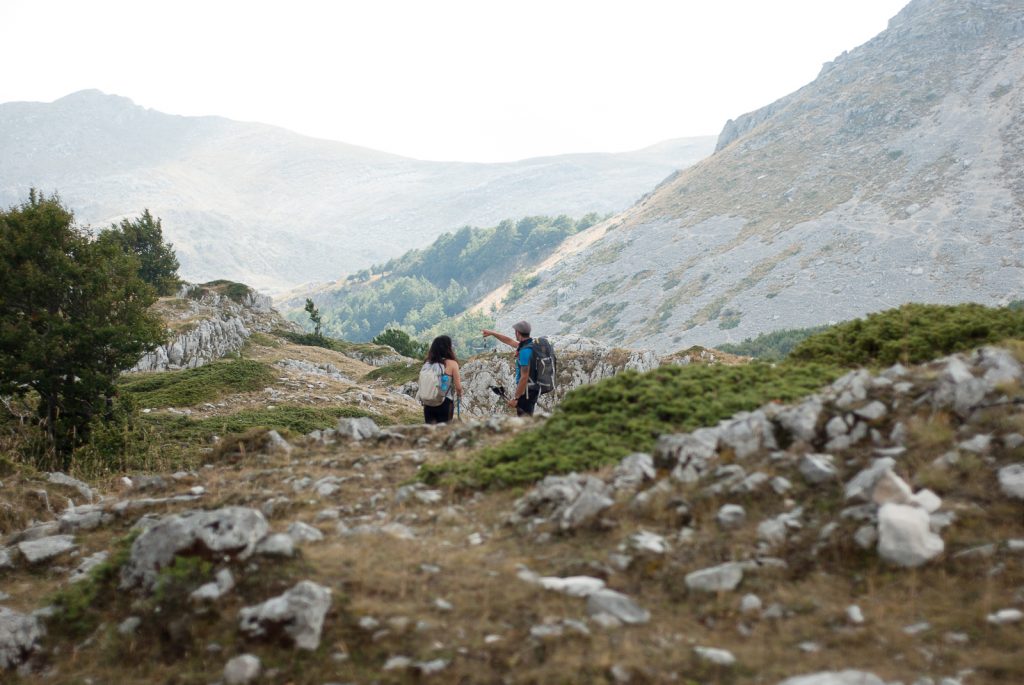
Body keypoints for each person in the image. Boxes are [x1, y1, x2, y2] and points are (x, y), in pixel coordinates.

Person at [482, 321, 538, 416]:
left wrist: (516, 398)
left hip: (527, 391)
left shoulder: (525, 351)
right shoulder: (529, 345)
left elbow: (524, 377)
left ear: (518, 332)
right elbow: (509, 341)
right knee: (527, 418)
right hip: (531, 389)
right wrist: (492, 333)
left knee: (524, 420)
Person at [421, 335, 462, 424]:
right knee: (444, 432)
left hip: (428, 402)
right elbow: (458, 387)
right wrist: (459, 394)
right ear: (448, 348)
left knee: (430, 431)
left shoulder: (427, 363)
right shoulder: (452, 363)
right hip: (444, 402)